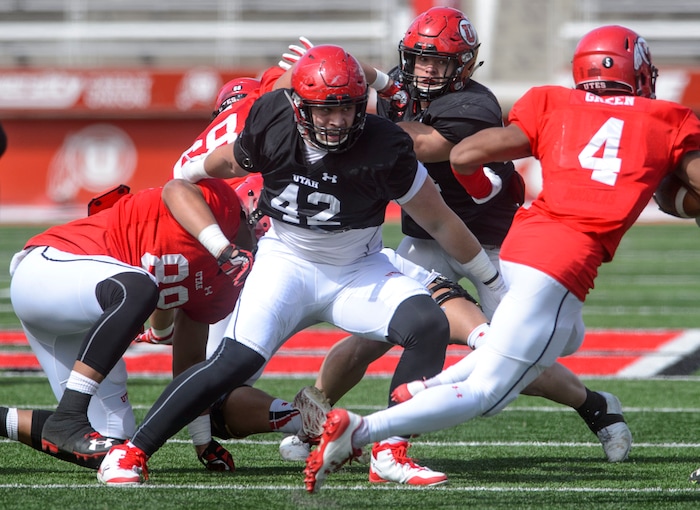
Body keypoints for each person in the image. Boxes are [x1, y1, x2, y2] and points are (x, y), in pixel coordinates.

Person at [303, 24, 700, 493]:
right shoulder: (666, 118)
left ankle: (585, 403)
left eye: (440, 61)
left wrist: (343, 116)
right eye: (420, 59)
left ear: (466, 63)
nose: (427, 70)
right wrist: (374, 89)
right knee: (454, 372)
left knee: (531, 344)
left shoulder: (500, 103)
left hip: (497, 245)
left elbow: (446, 148)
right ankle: (347, 431)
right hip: (484, 247)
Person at [96, 43, 507, 485]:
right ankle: (131, 452)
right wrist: (192, 173)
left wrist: (492, 282)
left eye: (348, 108)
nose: (337, 121)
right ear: (296, 105)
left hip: (357, 267)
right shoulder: (273, 121)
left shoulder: (386, 144)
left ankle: (390, 453)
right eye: (324, 110)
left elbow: (442, 222)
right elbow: (228, 161)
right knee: (231, 362)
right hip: (286, 261)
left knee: (428, 324)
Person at [8, 178, 253, 469]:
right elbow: (177, 188)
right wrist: (222, 248)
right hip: (49, 271)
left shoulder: (228, 283)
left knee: (111, 443)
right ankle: (70, 413)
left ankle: (33, 420)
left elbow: (190, 361)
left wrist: (202, 440)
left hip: (79, 322)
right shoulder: (219, 205)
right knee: (139, 287)